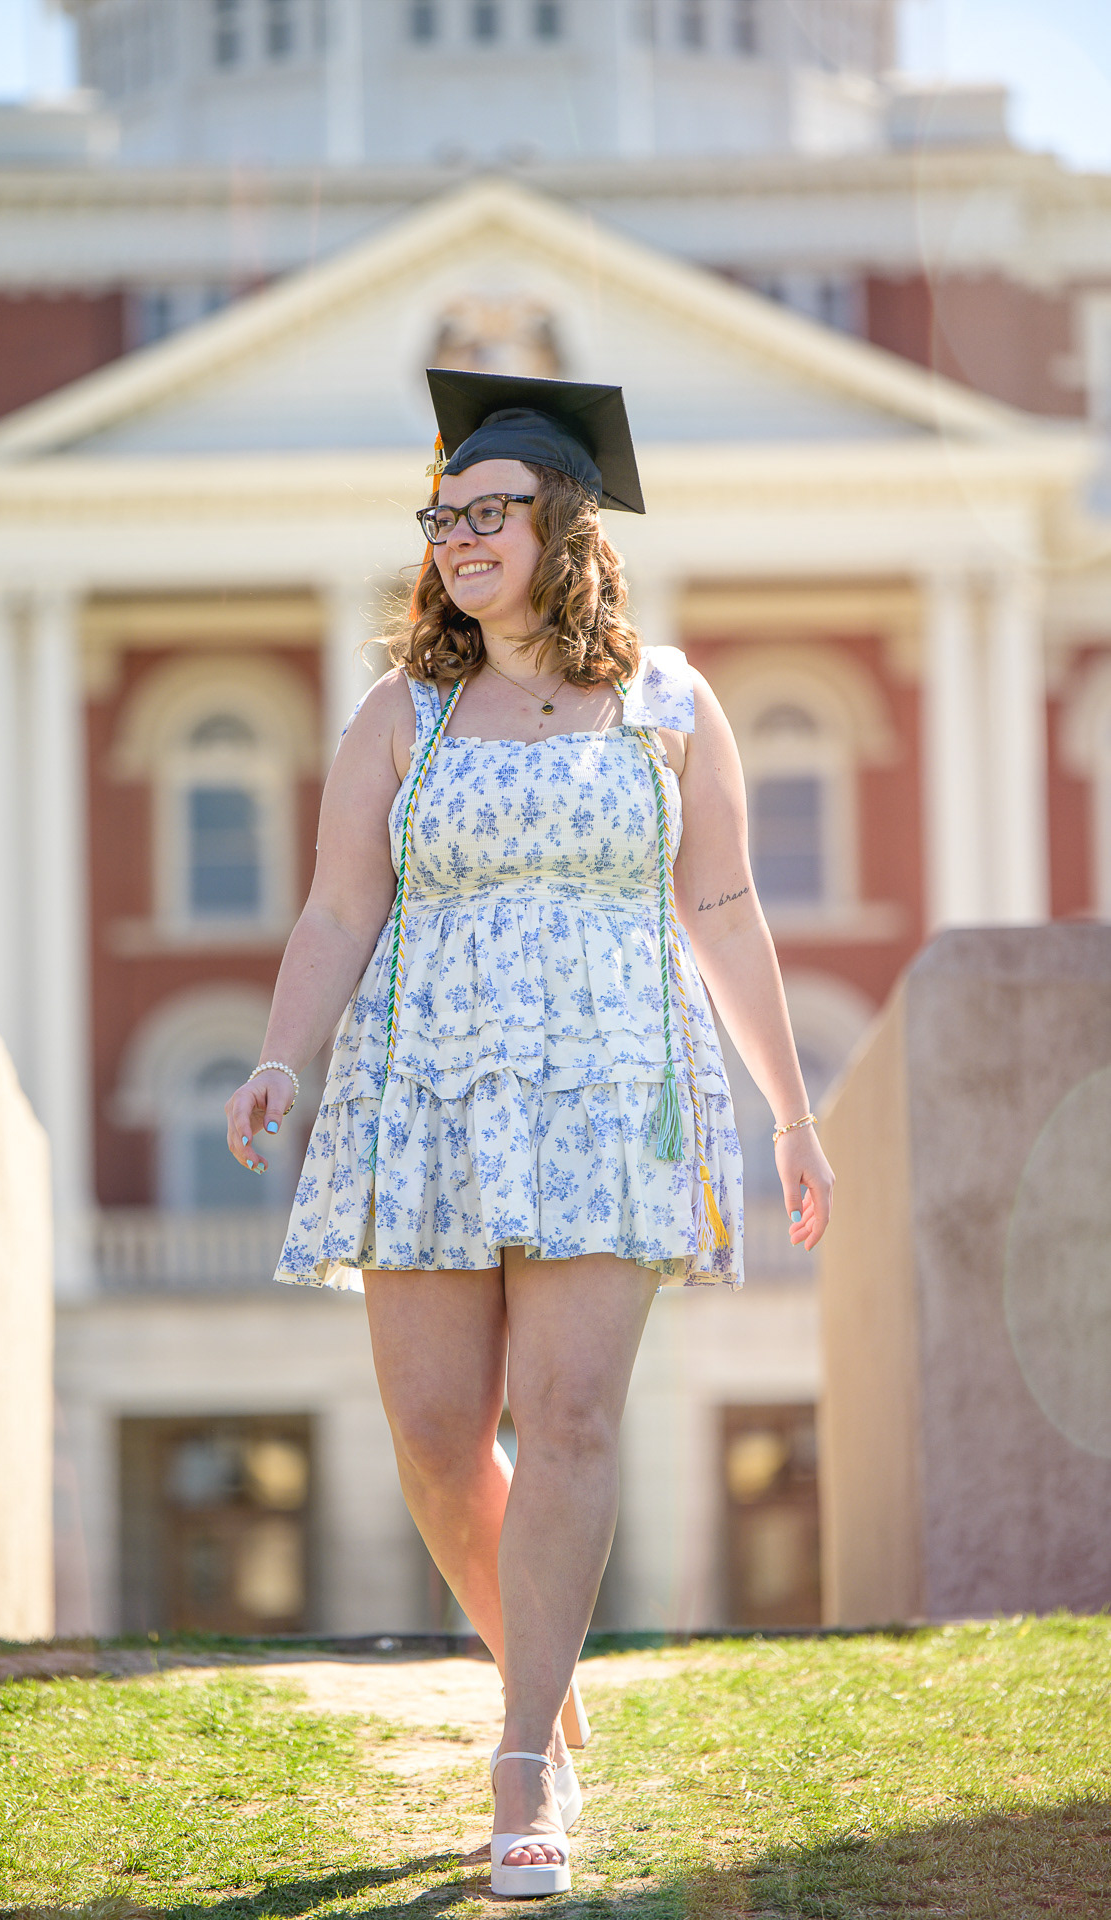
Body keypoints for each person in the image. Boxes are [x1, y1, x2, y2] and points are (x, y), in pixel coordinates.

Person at [226, 370, 834, 1897]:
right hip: (425, 1085)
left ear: (565, 525)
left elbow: (723, 909)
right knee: (438, 1441)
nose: (454, 539)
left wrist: (790, 1113)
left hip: (610, 1086)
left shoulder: (672, 704)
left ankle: (521, 1765)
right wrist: (281, 1065)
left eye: (485, 512)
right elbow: (338, 905)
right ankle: (543, 1677)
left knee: (565, 1423)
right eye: (439, 517)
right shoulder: (400, 714)